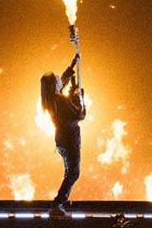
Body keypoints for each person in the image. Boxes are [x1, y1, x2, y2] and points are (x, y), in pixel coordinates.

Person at [40, 53, 85, 217]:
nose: (60, 78)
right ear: (54, 85)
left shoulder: (50, 99)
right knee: (73, 173)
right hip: (70, 139)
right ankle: (57, 204)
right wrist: (78, 98)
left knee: (69, 172)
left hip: (62, 140)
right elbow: (79, 115)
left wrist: (72, 65)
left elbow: (63, 82)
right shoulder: (59, 99)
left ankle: (58, 205)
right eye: (57, 78)